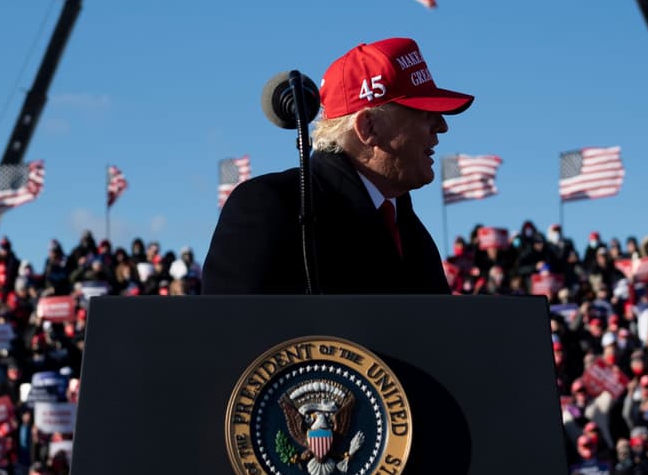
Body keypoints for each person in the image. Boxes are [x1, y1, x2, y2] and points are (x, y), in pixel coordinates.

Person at [202, 37, 473, 295]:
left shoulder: (412, 235)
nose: (442, 126)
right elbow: (227, 335)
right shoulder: (269, 207)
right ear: (369, 128)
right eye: (425, 113)